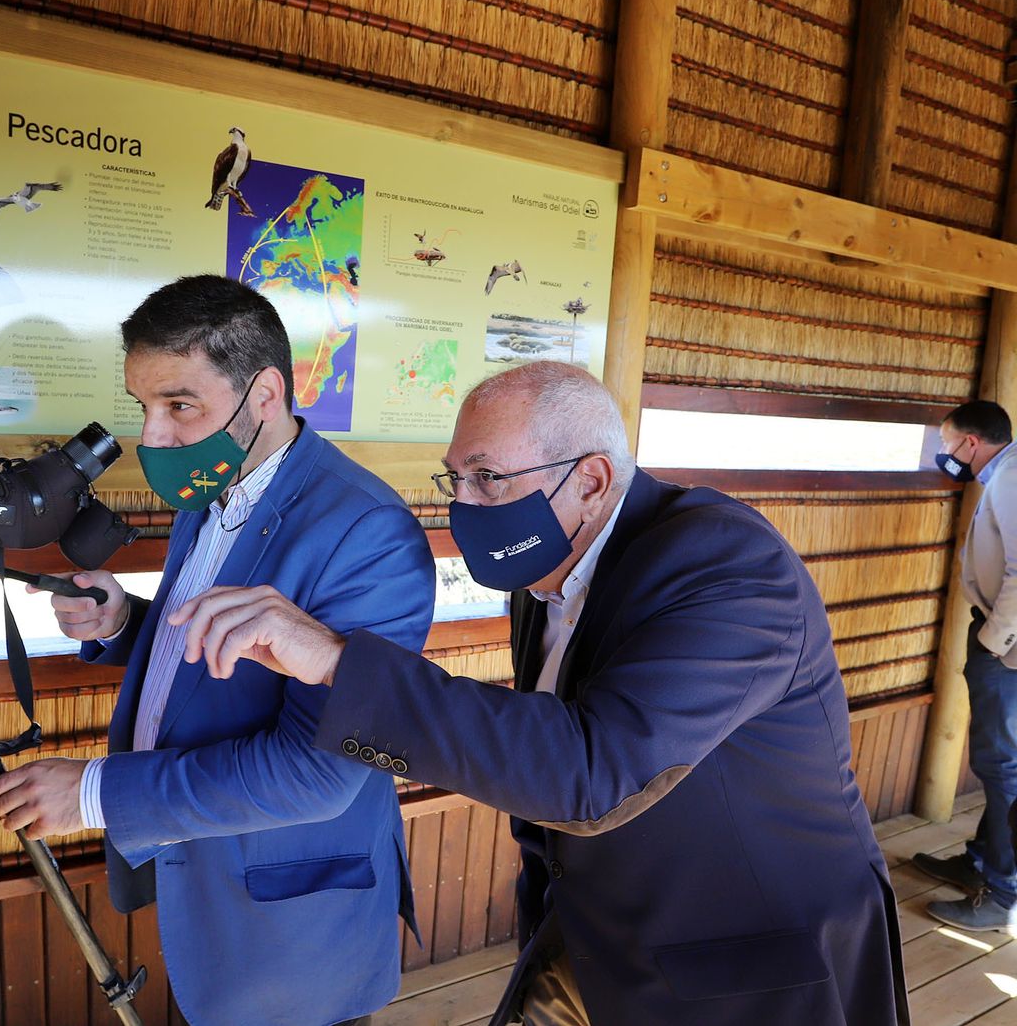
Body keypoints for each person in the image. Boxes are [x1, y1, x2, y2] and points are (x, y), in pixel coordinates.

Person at [168, 361, 908, 1025]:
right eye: (454, 478)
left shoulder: (727, 563)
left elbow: (590, 770)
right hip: (592, 933)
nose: (464, 504)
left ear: (590, 480)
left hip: (743, 963)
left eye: (488, 477)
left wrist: (336, 660)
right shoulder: (545, 573)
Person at [0, 275, 435, 1026]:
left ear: (263, 394)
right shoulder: (216, 485)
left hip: (294, 924)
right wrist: (125, 622)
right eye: (143, 407)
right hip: (210, 881)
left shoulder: (367, 533)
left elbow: (317, 774)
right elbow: (220, 649)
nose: (152, 436)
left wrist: (94, 792)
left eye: (178, 405)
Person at [913, 400, 1017, 931]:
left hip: (1008, 648)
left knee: (1003, 769)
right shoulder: (1004, 473)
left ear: (970, 443)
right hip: (1003, 641)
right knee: (1000, 764)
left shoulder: (1011, 477)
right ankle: (979, 864)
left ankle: (1002, 893)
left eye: (947, 443)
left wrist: (996, 639)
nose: (944, 454)